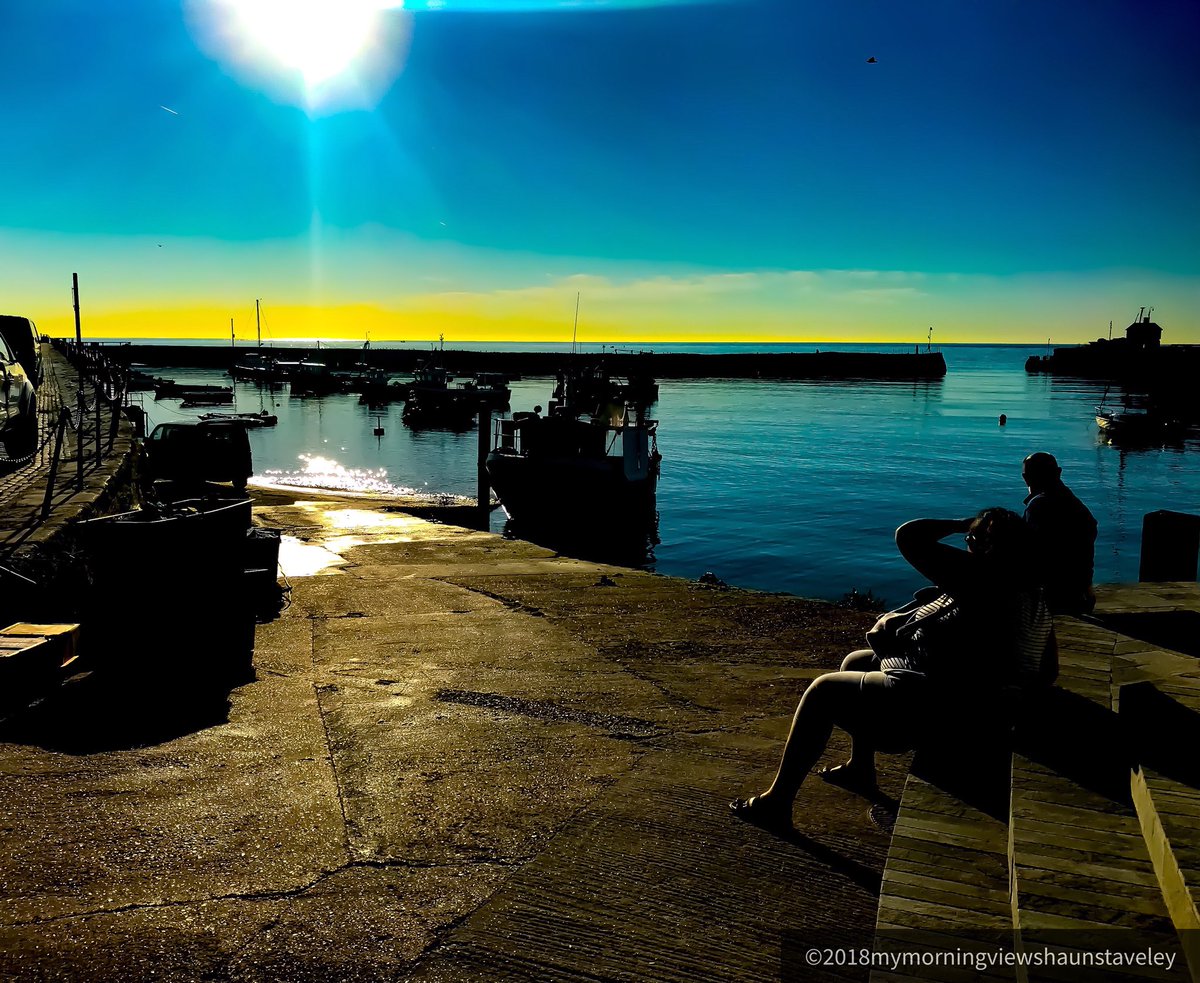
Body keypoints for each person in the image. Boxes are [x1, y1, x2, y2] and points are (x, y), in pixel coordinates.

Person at [729, 508, 1044, 833]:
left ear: (989, 547)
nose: (966, 542)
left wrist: (960, 524)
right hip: (974, 701)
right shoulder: (1031, 593)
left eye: (973, 538)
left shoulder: (982, 577)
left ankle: (776, 802)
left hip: (952, 710)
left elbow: (908, 535)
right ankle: (860, 768)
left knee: (823, 691)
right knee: (858, 661)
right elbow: (1046, 668)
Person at [1021, 452, 1098, 614]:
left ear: (1025, 477)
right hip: (1078, 591)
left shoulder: (1039, 506)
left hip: (1052, 597)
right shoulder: (1075, 505)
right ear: (1058, 473)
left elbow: (1028, 553)